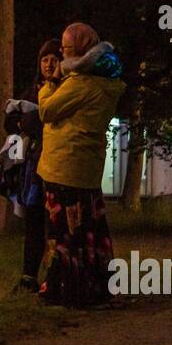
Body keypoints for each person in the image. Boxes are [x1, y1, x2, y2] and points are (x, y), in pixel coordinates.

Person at [35, 22, 126, 307]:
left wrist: (49, 85)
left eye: (64, 49)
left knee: (65, 231)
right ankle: (94, 285)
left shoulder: (80, 82)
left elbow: (47, 110)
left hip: (65, 166)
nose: (60, 55)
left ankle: (70, 289)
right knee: (88, 230)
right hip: (86, 167)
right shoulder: (105, 81)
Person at [1, 39, 59, 292]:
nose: (49, 64)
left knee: (56, 224)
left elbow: (48, 121)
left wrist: (31, 122)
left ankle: (55, 277)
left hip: (58, 167)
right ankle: (28, 277)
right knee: (34, 222)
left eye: (54, 59)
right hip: (33, 170)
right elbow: (11, 122)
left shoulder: (66, 89)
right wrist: (27, 123)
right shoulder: (32, 90)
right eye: (45, 59)